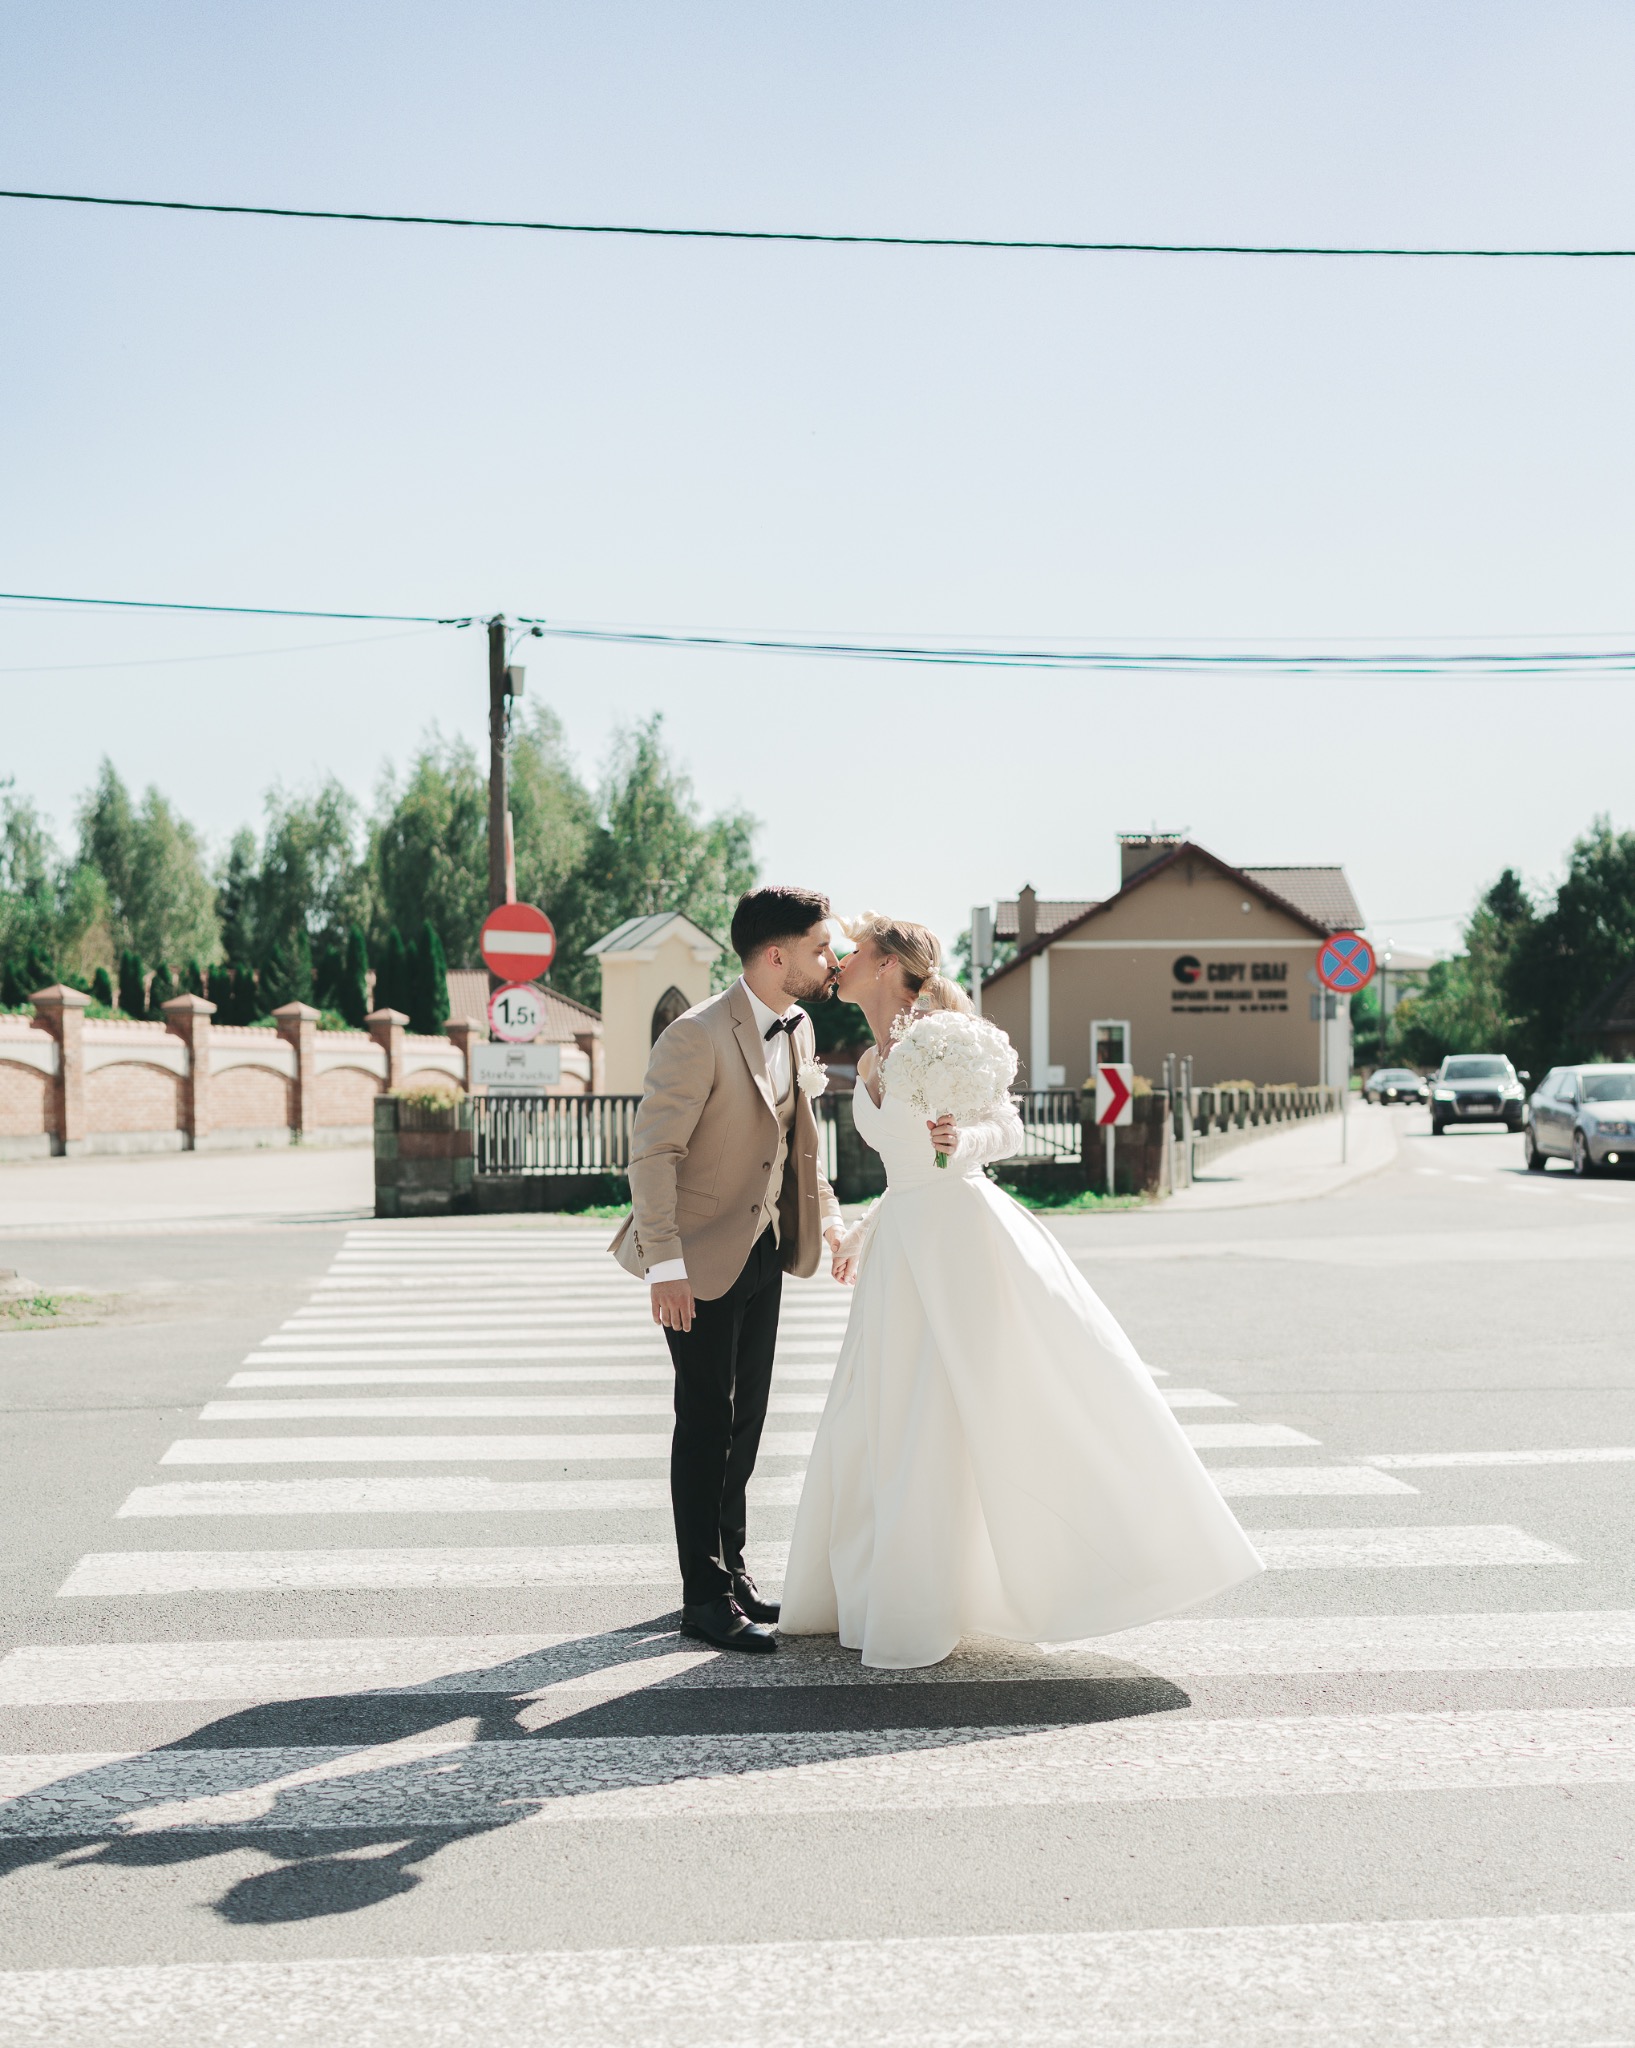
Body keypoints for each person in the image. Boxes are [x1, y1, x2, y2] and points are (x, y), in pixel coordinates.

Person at [779, 912, 1264, 1670]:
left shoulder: (941, 1037)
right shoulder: (868, 1060)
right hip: (904, 1241)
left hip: (962, 1239)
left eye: (855, 948)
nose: (838, 957)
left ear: (886, 966)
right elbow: (903, 1174)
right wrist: (866, 1230)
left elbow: (1002, 1128)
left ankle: (1046, 1567)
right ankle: (889, 1585)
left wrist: (960, 1142)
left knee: (959, 1404)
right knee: (881, 1409)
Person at [611, 885, 845, 1653]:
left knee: (745, 1420)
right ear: (776, 955)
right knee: (705, 1421)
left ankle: (732, 1570)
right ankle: (702, 1599)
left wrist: (828, 1220)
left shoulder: (799, 1027)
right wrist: (664, 1267)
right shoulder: (695, 1034)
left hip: (763, 1248)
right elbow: (652, 1154)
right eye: (819, 948)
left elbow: (796, 1143)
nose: (830, 960)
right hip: (696, 1256)